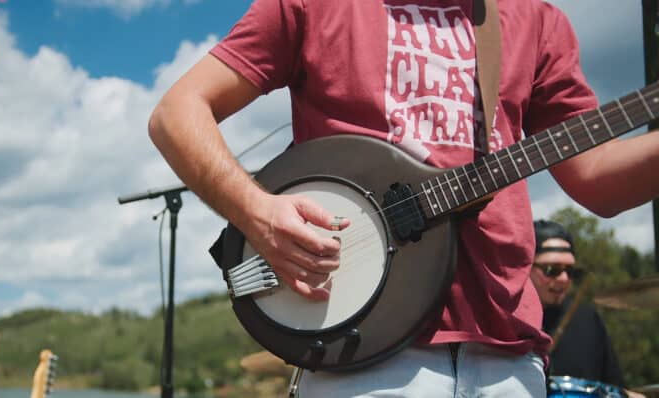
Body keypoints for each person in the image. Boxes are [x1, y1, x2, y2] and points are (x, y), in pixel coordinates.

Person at [148, 0, 659, 396]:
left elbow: (598, 178)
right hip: (361, 347)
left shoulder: (534, 19)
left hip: (507, 352)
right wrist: (257, 211)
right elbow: (177, 113)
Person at [531, 220, 644, 398]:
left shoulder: (587, 319)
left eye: (570, 271)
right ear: (526, 267)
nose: (564, 278)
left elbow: (614, 387)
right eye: (552, 270)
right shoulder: (506, 323)